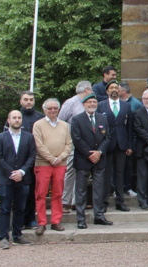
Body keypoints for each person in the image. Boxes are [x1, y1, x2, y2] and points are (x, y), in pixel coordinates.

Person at [0, 110, 36, 249]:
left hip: (23, 179)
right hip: (6, 179)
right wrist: (12, 173)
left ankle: (17, 235)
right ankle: (3, 237)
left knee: (20, 208)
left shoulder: (29, 137)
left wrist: (22, 172)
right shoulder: (0, 137)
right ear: (8, 120)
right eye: (14, 118)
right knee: (5, 209)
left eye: (19, 117)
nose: (17, 120)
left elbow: (32, 156)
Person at [71, 94, 113, 228]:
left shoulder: (102, 118)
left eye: (94, 102)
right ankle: (81, 218)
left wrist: (99, 152)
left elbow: (107, 137)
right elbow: (77, 139)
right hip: (83, 159)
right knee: (81, 190)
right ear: (84, 104)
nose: (92, 104)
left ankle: (99, 215)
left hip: (99, 159)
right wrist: (90, 154)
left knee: (99, 189)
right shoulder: (77, 119)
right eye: (89, 102)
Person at [32, 98, 73, 235]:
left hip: (60, 164)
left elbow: (69, 144)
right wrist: (51, 158)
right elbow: (39, 145)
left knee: (58, 193)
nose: (53, 111)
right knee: (41, 194)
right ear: (44, 110)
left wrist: (59, 158)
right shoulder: (38, 125)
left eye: (55, 108)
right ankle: (41, 222)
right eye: (50, 108)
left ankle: (56, 221)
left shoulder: (65, 125)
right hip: (43, 164)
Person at [98, 80, 133, 213]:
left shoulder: (126, 106)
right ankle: (104, 202)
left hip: (121, 145)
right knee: (106, 175)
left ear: (119, 91)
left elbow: (129, 128)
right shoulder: (101, 106)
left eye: (116, 88)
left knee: (120, 174)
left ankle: (120, 201)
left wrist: (129, 145)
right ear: (107, 91)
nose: (114, 90)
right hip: (106, 145)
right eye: (111, 88)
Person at [58, 81, 93, 213]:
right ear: (86, 90)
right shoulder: (71, 103)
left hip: (85, 144)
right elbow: (61, 122)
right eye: (91, 90)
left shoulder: (88, 103)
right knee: (70, 172)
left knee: (82, 172)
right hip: (72, 143)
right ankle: (65, 201)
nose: (92, 93)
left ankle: (76, 201)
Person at [16, 90, 44, 230]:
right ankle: (18, 220)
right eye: (26, 99)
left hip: (36, 160)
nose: (29, 102)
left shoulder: (40, 118)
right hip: (18, 161)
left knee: (33, 190)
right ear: (21, 101)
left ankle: (31, 218)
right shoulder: (16, 117)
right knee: (20, 192)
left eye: (31, 100)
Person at [118, 81, 141, 197]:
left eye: (117, 89)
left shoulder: (136, 104)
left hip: (130, 139)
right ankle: (117, 188)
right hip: (118, 139)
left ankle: (127, 187)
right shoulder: (115, 103)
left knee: (128, 166)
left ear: (123, 91)